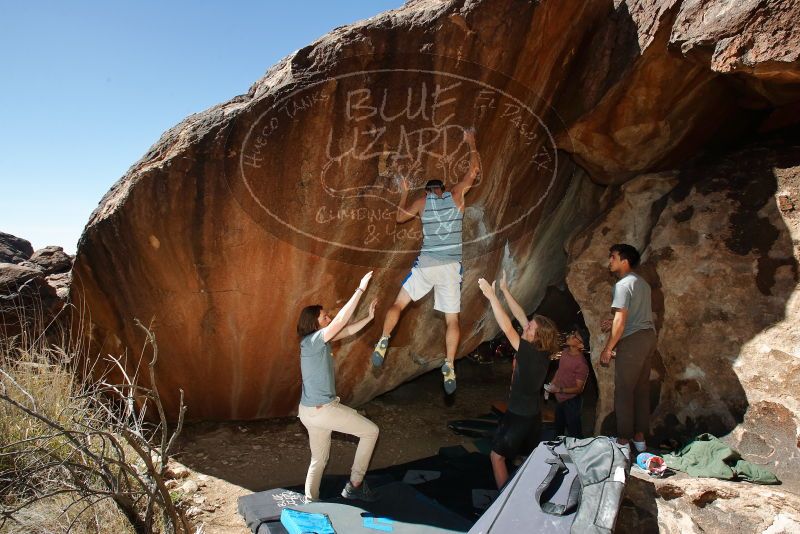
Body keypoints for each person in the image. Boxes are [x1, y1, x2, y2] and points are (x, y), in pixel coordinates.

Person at [371, 128, 481, 394]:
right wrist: (471, 141)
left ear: (428, 191)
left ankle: (383, 339)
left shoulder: (422, 202)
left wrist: (405, 193)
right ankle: (450, 364)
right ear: (443, 189)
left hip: (427, 264)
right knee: (452, 321)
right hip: (450, 268)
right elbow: (474, 171)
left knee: (398, 303)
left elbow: (399, 218)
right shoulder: (456, 197)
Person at [296, 270, 380, 502]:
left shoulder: (313, 342)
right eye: (324, 317)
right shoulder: (313, 341)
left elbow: (347, 329)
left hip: (309, 412)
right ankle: (355, 483)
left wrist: (369, 318)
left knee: (319, 460)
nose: (329, 319)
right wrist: (360, 288)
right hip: (323, 411)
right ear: (314, 322)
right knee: (371, 431)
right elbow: (342, 321)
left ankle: (310, 500)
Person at [478, 273, 561, 488]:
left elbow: (507, 327)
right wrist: (505, 290)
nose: (527, 327)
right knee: (523, 458)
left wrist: (491, 297)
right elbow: (520, 316)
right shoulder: (540, 350)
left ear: (538, 336)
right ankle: (524, 491)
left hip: (519, 418)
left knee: (496, 457)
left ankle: (503, 505)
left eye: (531, 328)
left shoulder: (529, 353)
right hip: (532, 416)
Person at [599, 243, 657, 452]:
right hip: (648, 338)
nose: (610, 261)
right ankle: (640, 439)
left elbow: (621, 322)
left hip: (632, 341)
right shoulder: (642, 283)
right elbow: (632, 315)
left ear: (624, 261)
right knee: (641, 390)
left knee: (623, 392)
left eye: (613, 257)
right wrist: (612, 319)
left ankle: (623, 440)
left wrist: (608, 348)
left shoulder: (623, 285)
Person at [544, 326, 590, 438]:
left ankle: (579, 452)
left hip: (572, 402)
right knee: (558, 430)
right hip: (560, 399)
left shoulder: (581, 364)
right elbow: (560, 371)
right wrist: (551, 385)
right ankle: (557, 451)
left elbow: (579, 389)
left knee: (575, 433)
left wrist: (558, 389)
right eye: (572, 333)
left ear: (581, 345)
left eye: (575, 336)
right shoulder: (564, 352)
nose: (570, 336)